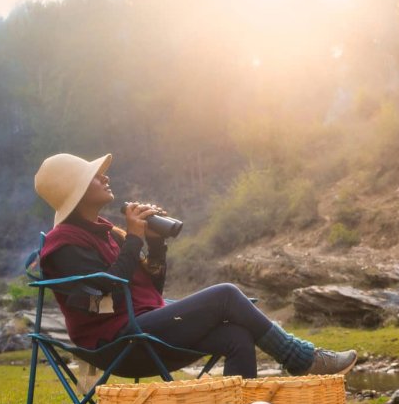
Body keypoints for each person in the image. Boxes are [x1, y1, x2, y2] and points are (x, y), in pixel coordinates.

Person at [33, 152, 356, 378]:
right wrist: (133, 238)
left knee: (237, 335)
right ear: (74, 192)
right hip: (115, 343)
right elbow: (106, 295)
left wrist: (155, 241)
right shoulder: (64, 245)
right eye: (93, 176)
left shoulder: (107, 233)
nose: (104, 176)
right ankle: (302, 359)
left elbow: (151, 293)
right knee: (226, 295)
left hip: (142, 328)